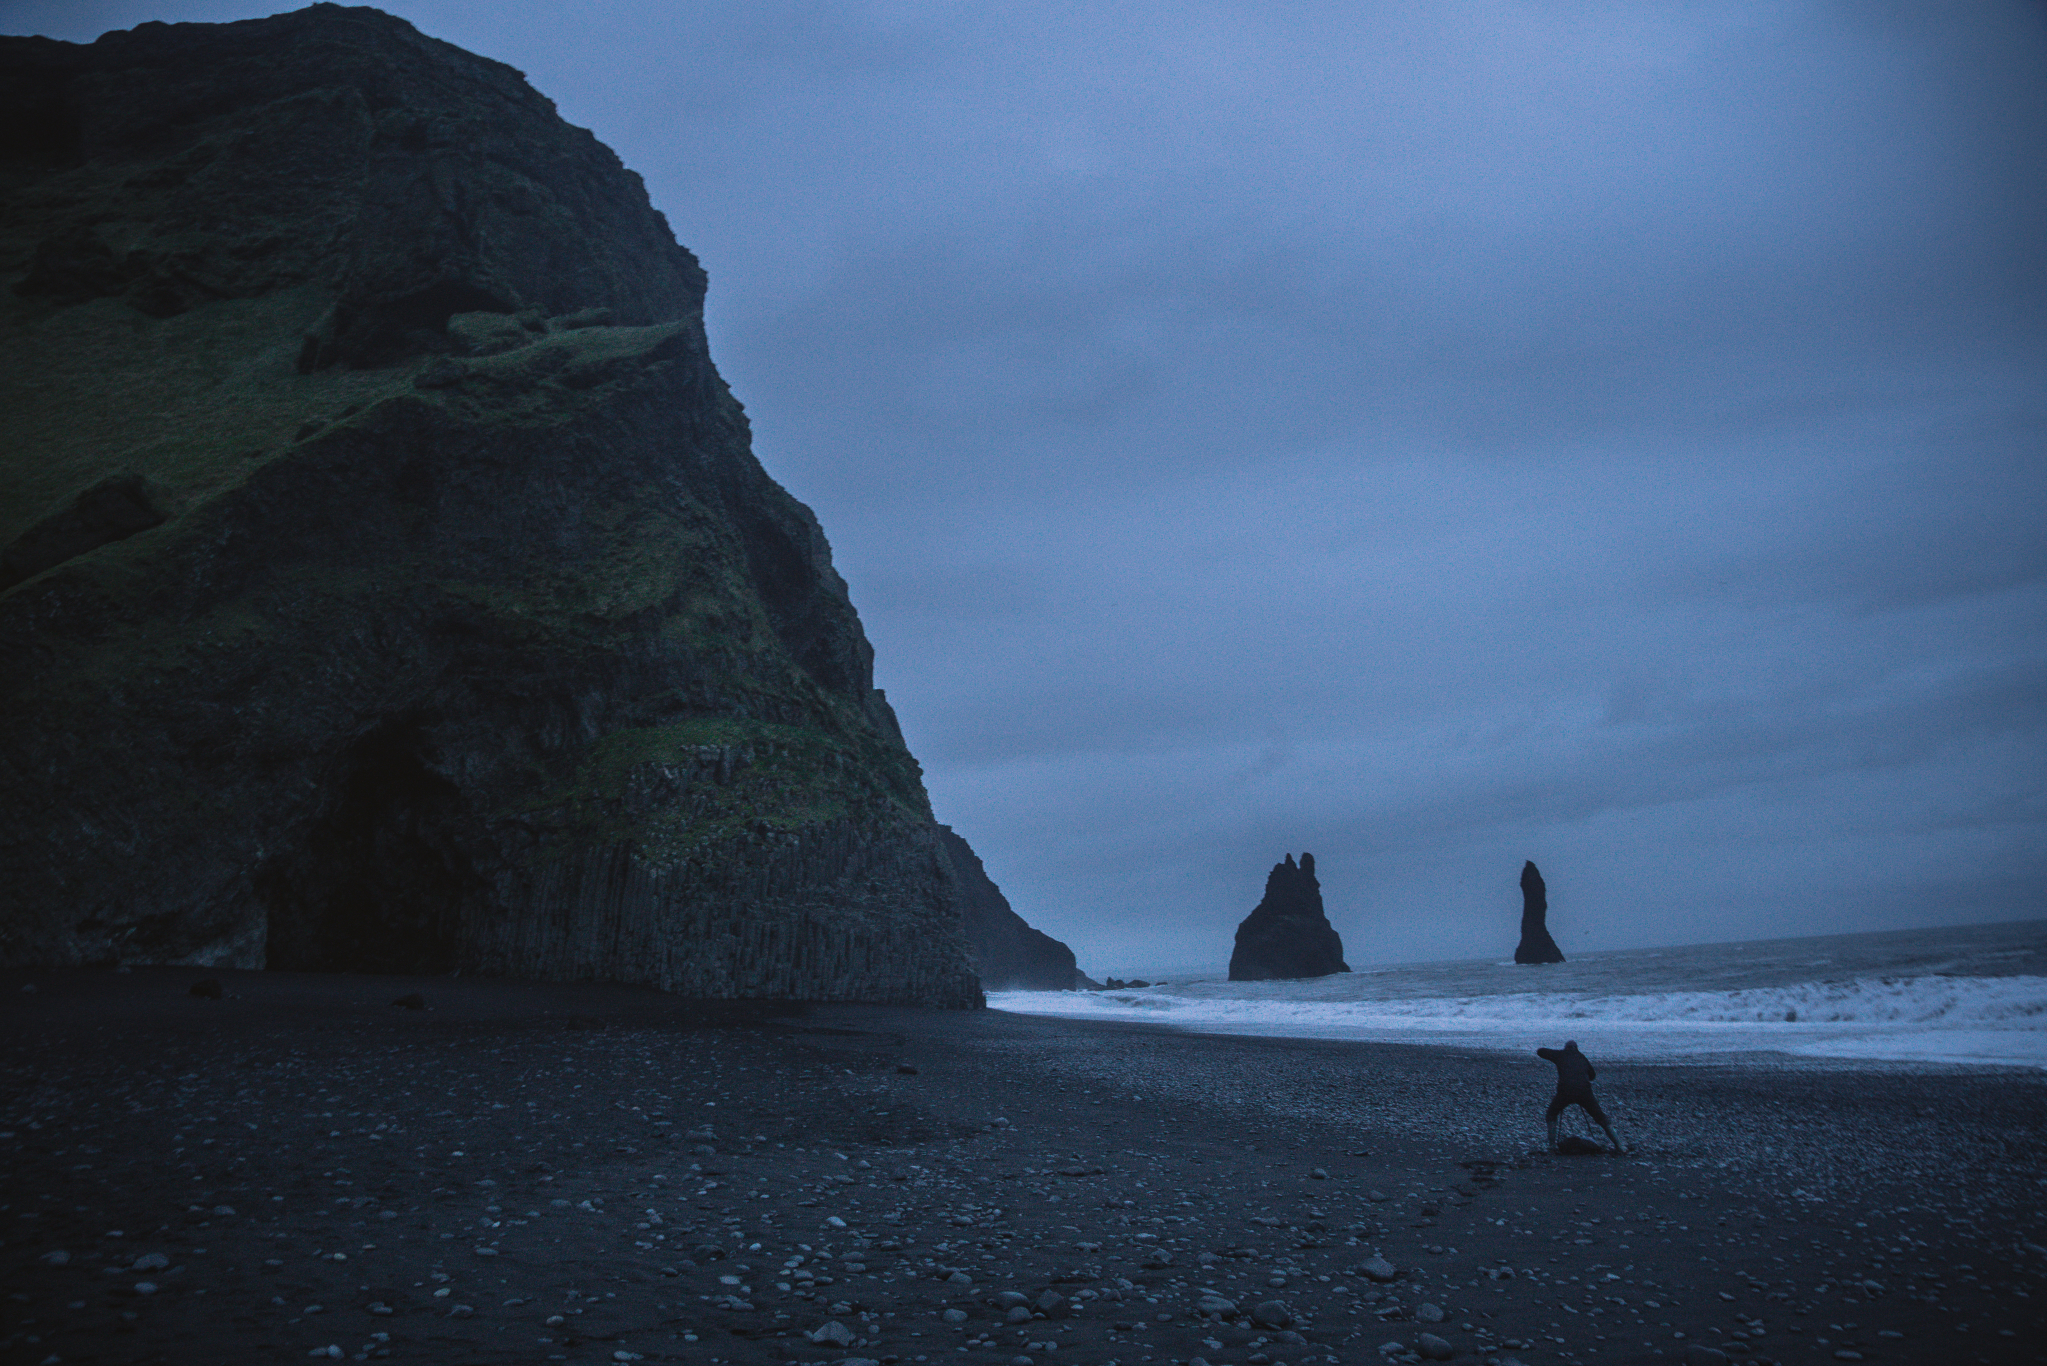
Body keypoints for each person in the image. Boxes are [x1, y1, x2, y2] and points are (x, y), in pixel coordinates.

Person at [1537, 1039, 1625, 1153]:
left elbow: (1540, 1051)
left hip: (1565, 1091)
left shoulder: (1560, 1055)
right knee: (1600, 1117)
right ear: (1577, 1048)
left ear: (1565, 1048)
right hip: (1584, 1092)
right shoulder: (1582, 1057)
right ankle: (1619, 1145)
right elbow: (1592, 1076)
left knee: (1551, 1114)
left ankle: (1552, 1145)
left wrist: (1558, 1054)